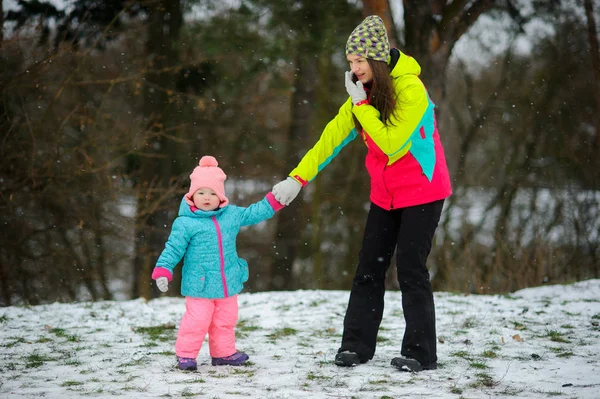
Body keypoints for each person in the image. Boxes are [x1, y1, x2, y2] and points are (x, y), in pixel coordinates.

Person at [272, 15, 452, 372]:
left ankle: (420, 353)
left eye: (360, 62)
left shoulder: (411, 90)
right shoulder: (361, 93)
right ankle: (355, 346)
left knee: (411, 269)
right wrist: (297, 179)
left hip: (423, 191)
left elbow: (390, 144)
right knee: (369, 267)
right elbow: (330, 139)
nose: (354, 69)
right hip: (386, 195)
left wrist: (361, 107)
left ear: (378, 60)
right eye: (350, 62)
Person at [152, 155, 284, 371]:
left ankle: (223, 353)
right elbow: (173, 248)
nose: (206, 197)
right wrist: (163, 270)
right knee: (196, 321)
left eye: (212, 193)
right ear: (192, 195)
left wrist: (275, 200)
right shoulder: (185, 223)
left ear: (221, 196)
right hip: (200, 284)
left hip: (227, 283)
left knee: (225, 320)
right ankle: (186, 355)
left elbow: (254, 213)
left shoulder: (231, 215)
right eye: (201, 192)